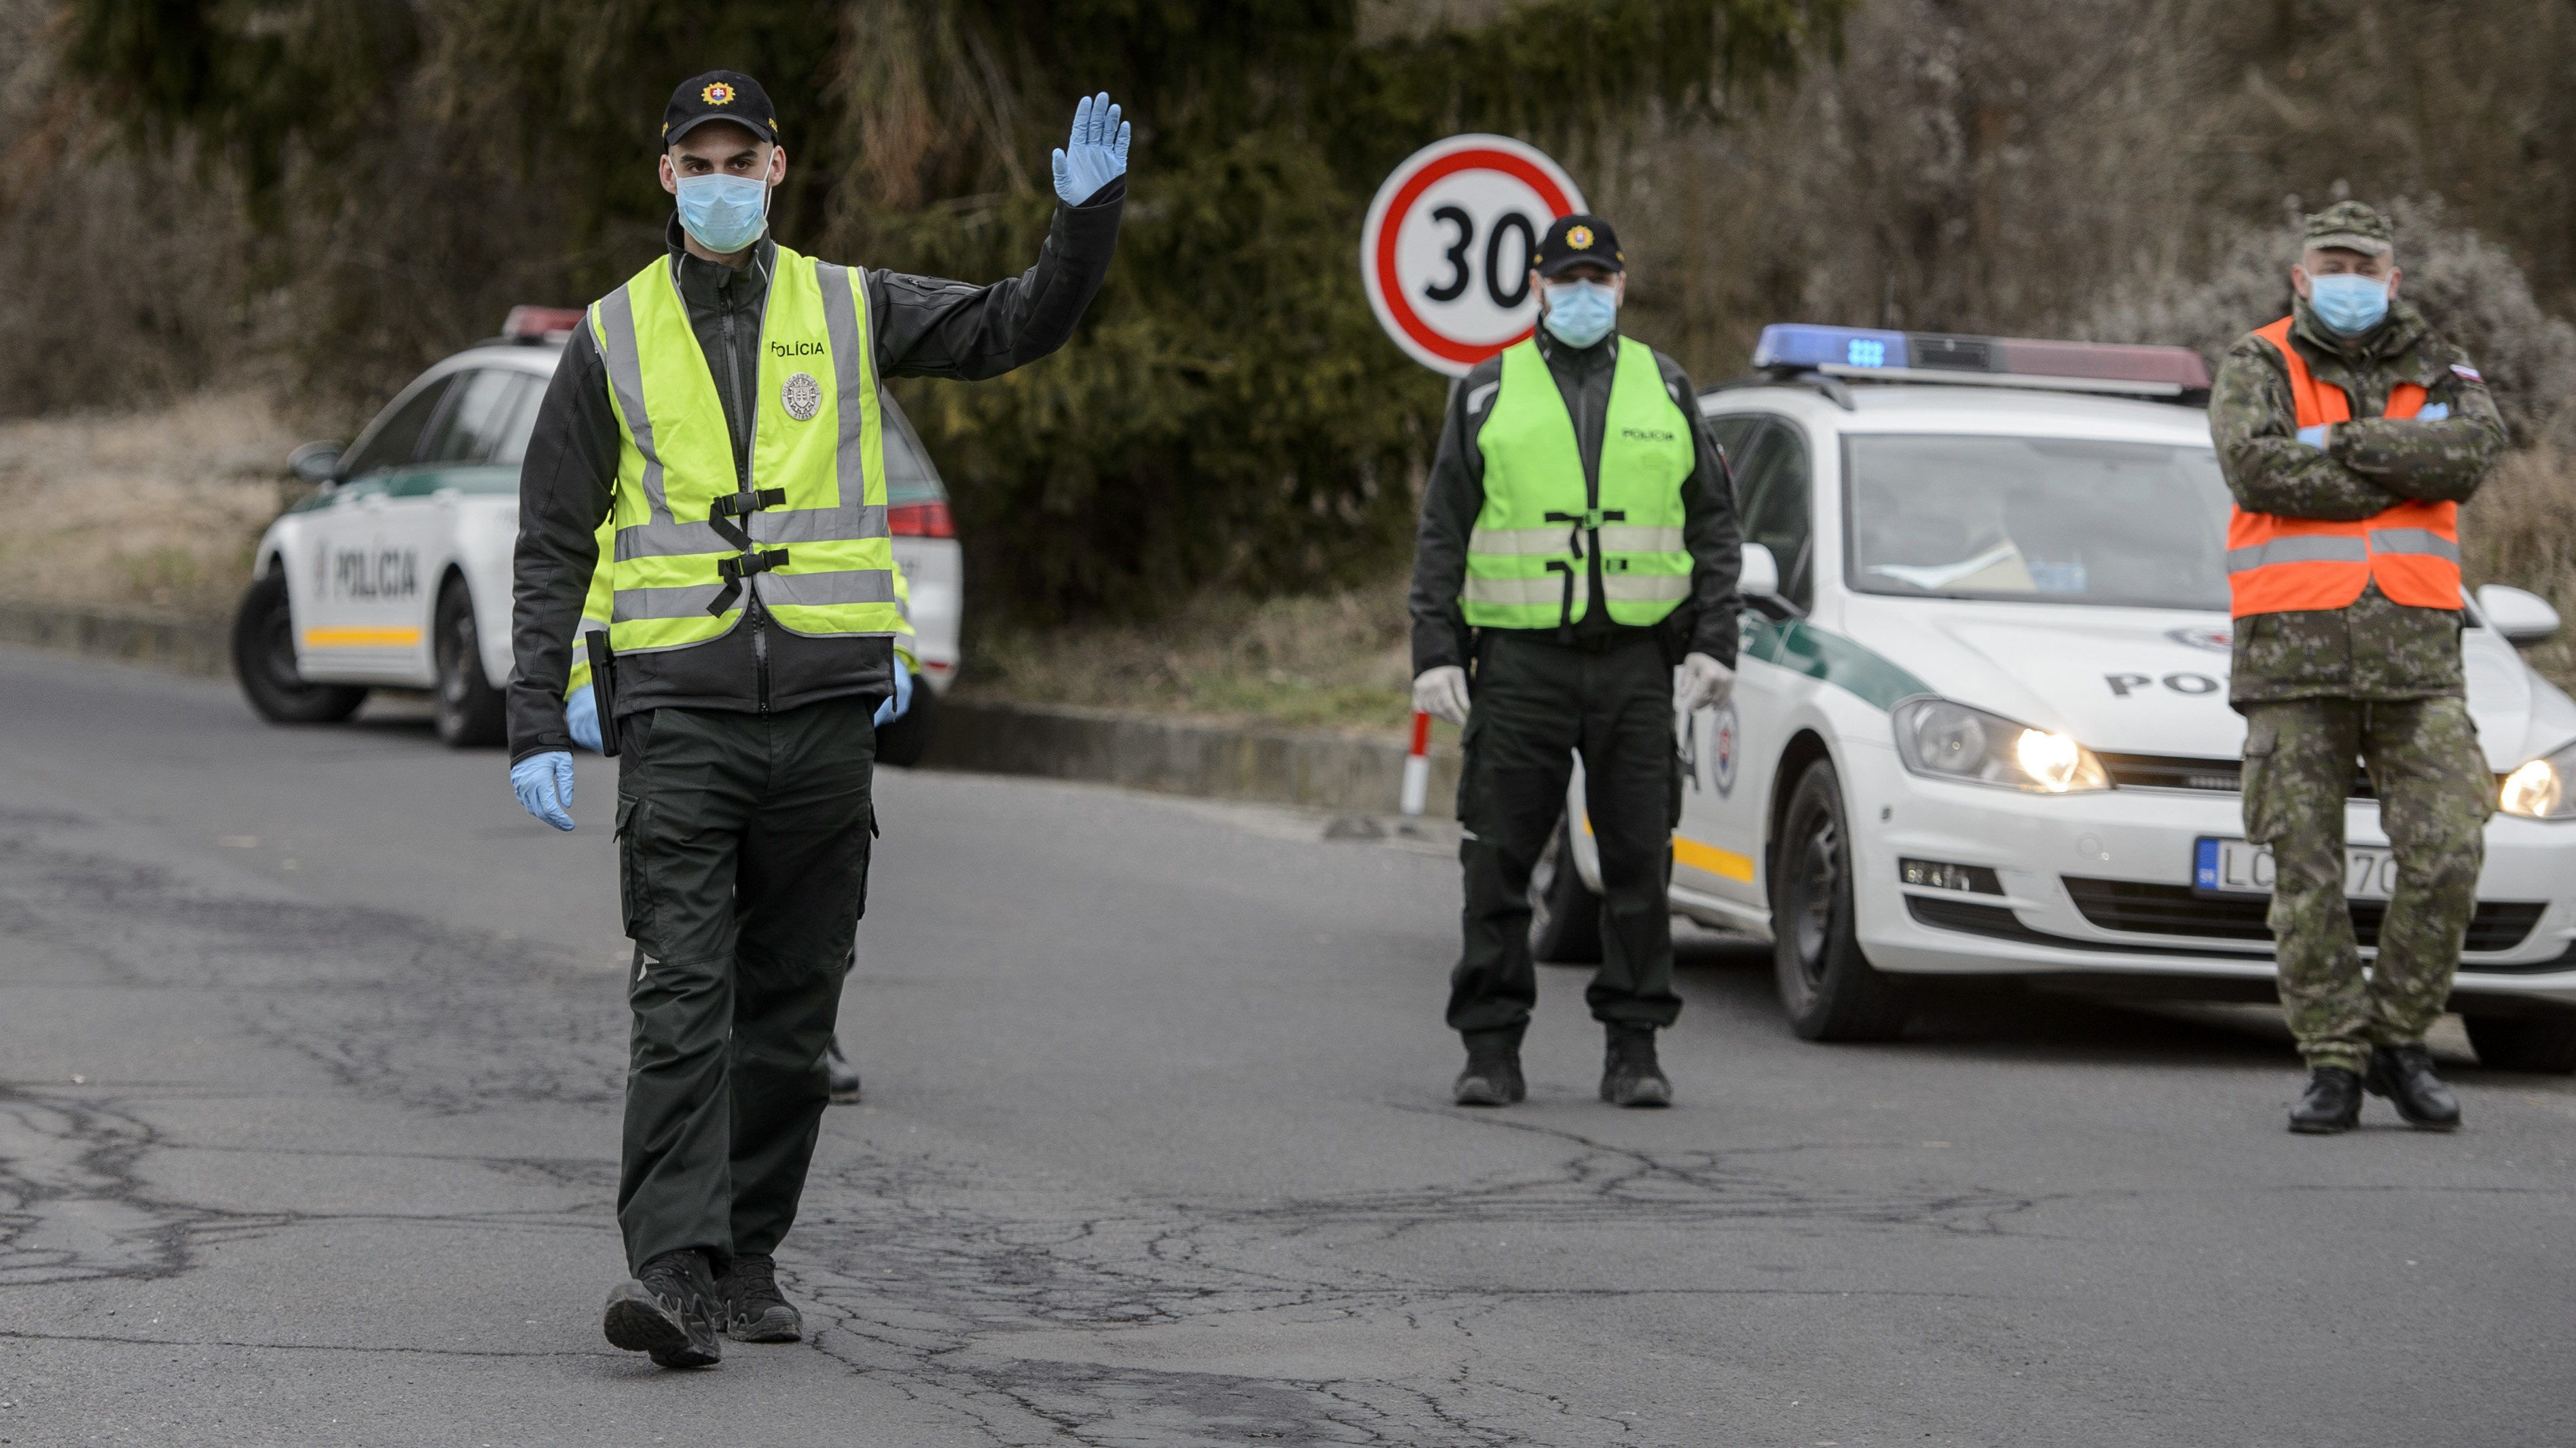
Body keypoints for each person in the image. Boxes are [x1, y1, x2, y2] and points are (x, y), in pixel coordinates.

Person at [505, 70, 1128, 1368]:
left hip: (827, 717)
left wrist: (1082, 227)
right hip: (681, 719)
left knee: (793, 1011)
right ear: (667, 177)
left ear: (777, 171)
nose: (722, 179)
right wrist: (534, 716)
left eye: (744, 159)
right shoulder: (610, 336)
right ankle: (670, 1270)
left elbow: (1011, 328)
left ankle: (746, 1257)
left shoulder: (848, 304)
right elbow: (554, 536)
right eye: (700, 161)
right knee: (683, 994)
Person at [1407, 213, 1744, 1110]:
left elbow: (1713, 522)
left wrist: (1717, 640)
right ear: (1537, 288)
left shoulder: (1664, 389)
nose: (1584, 294)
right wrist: (1434, 651)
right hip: (1519, 666)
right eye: (1568, 279)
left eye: (1599, 279)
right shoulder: (1486, 391)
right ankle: (1490, 1049)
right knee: (1497, 862)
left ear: (1622, 288)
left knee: (1639, 864)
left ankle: (1634, 1051)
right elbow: (1443, 530)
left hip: (1636, 664)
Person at [2208, 200, 2505, 1135]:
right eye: (2329, 264)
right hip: (2293, 663)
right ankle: (2331, 1059)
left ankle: (2398, 1037)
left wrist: (2335, 443)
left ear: (2392, 280)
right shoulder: (2259, 361)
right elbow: (2255, 471)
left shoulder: (2442, 366)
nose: (2346, 280)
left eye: (2362, 266)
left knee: (2450, 849)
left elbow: (2471, 453)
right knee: (2305, 873)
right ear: (2300, 278)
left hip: (2417, 664)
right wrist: (2398, 466)